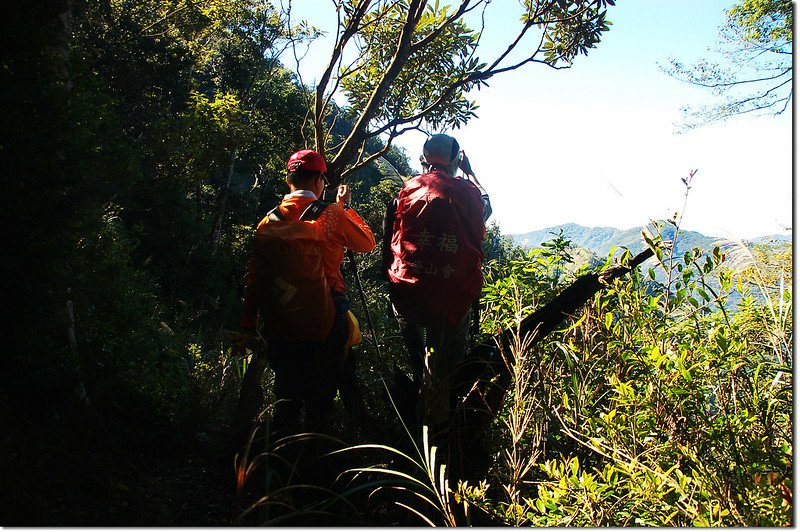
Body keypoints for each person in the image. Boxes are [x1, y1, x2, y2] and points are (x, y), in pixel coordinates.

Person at [231, 149, 375, 454]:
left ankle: (279, 461)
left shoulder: (267, 223)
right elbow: (367, 244)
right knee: (321, 398)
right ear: (321, 180)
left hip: (281, 318)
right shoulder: (331, 215)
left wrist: (248, 325)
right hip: (327, 315)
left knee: (287, 393)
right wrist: (345, 208)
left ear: (288, 179)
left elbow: (255, 280)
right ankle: (317, 467)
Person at [381, 133, 491, 441]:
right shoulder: (468, 193)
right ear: (457, 160)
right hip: (449, 300)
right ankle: (433, 438)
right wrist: (470, 173)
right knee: (441, 372)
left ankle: (416, 414)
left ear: (422, 160)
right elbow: (486, 208)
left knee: (421, 362)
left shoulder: (408, 190)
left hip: (406, 295)